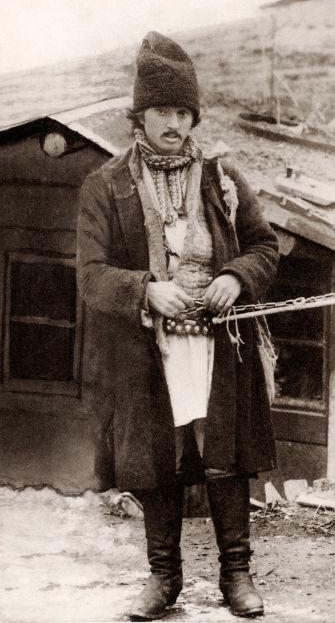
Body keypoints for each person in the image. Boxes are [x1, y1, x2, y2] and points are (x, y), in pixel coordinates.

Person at [76, 31, 279, 621]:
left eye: (183, 111)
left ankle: (236, 575)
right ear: (139, 116)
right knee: (156, 460)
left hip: (218, 346)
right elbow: (89, 276)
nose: (174, 122)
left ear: (194, 116)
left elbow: (265, 247)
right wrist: (144, 289)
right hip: (145, 349)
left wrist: (237, 277)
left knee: (225, 456)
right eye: (161, 110)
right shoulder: (105, 186)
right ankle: (163, 579)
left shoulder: (223, 180)